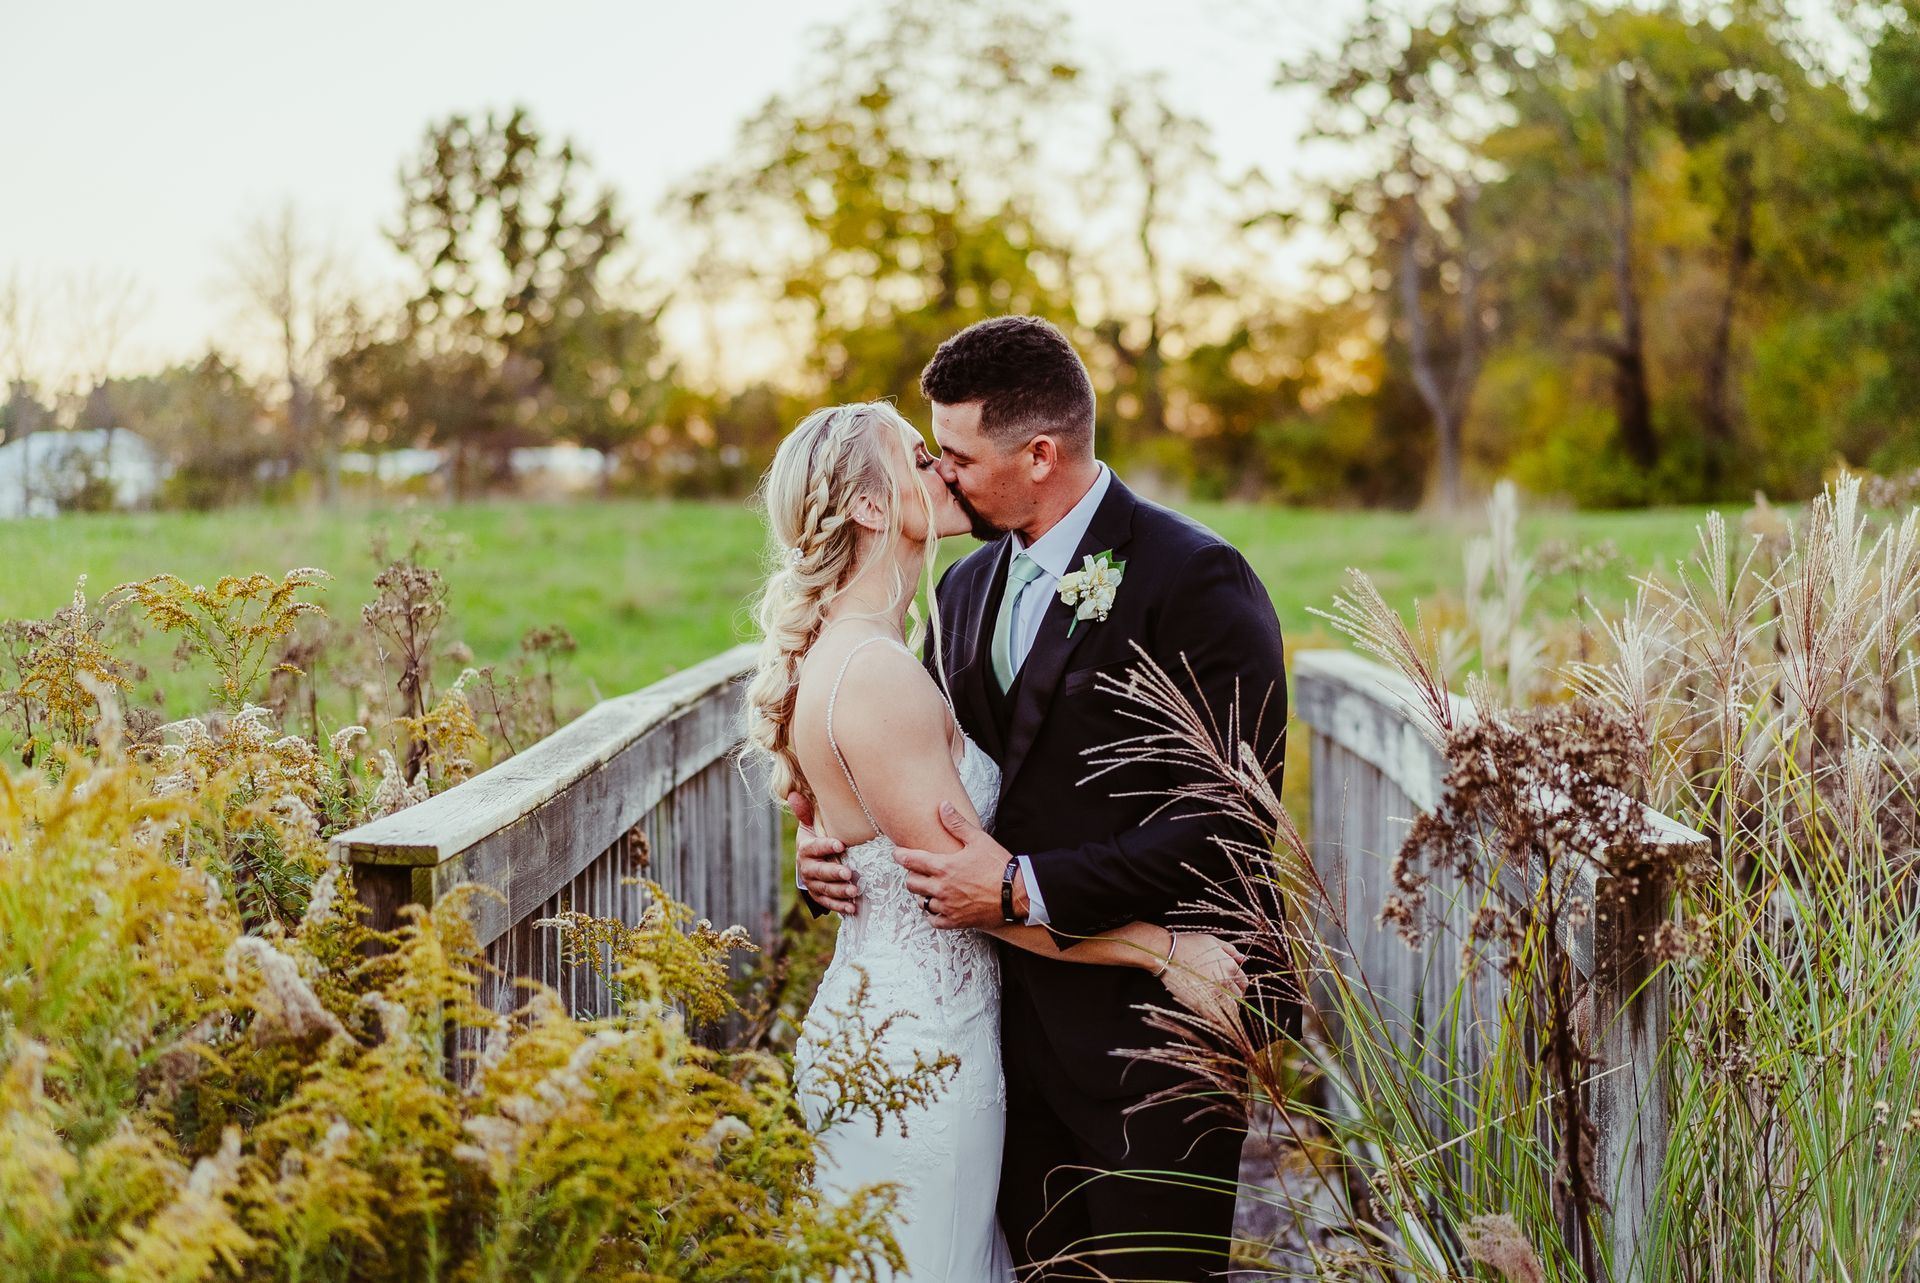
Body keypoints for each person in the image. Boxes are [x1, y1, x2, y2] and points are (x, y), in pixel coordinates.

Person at [796, 316, 1295, 1282]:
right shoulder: (965, 587)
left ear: (1038, 453)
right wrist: (840, 848)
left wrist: (1026, 885)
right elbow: (919, 776)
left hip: (1152, 1027)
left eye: (955, 455)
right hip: (1001, 1033)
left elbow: (1229, 819)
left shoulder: (1193, 578)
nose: (940, 475)